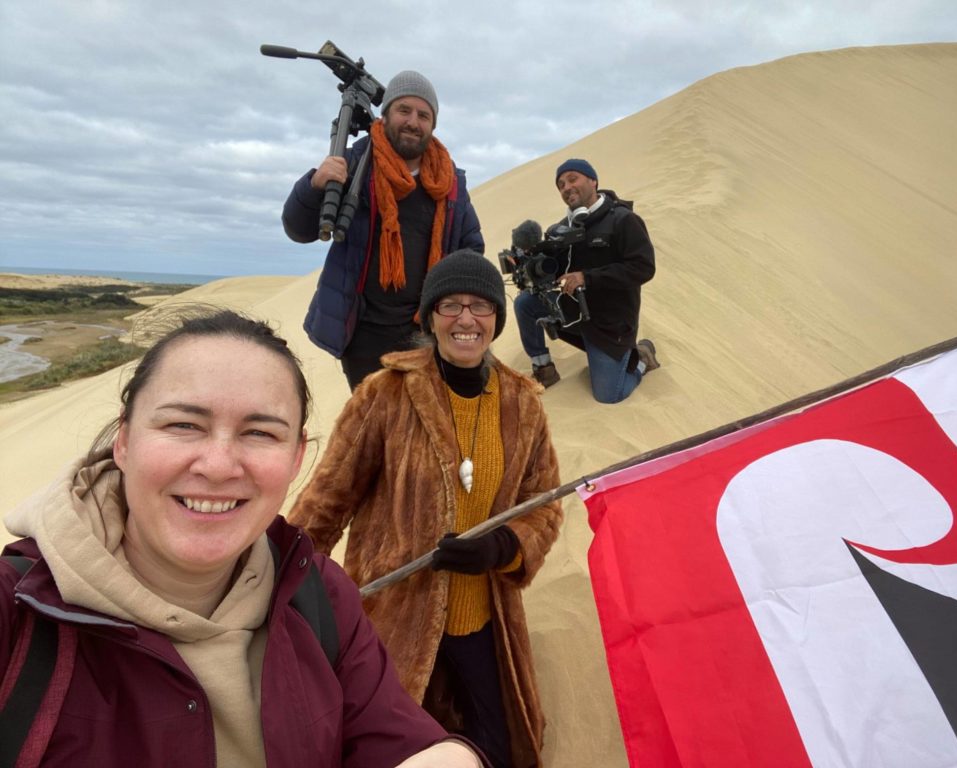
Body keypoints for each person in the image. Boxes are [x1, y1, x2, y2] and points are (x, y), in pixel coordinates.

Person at [0, 309, 488, 768]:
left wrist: (452, 755)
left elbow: (391, 736)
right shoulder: (17, 611)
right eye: (183, 424)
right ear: (124, 442)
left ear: (297, 459)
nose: (217, 466)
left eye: (260, 433)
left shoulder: (316, 594)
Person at [289, 251, 563, 768]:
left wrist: (505, 546)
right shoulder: (385, 394)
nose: (466, 319)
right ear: (429, 316)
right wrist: (285, 580)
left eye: (481, 306)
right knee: (392, 748)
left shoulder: (524, 402)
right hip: (394, 614)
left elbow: (543, 506)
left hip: (484, 614)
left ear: (496, 321)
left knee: (500, 746)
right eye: (451, 305)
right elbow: (327, 499)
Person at [282, 69, 485, 391]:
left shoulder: (449, 183)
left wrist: (450, 303)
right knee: (376, 423)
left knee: (425, 422)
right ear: (386, 114)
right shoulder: (355, 164)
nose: (413, 122)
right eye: (404, 110)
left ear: (432, 125)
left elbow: (471, 247)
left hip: (425, 329)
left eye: (424, 115)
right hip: (363, 331)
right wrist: (314, 185)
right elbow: (298, 229)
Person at [513, 158, 660, 403]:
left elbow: (643, 267)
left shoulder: (622, 220)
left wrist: (587, 278)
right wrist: (532, 262)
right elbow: (555, 271)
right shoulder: (560, 230)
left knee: (609, 395)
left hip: (609, 325)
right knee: (525, 303)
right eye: (560, 185)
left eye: (573, 179)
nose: (566, 187)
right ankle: (544, 370)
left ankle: (641, 358)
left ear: (593, 181)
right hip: (574, 312)